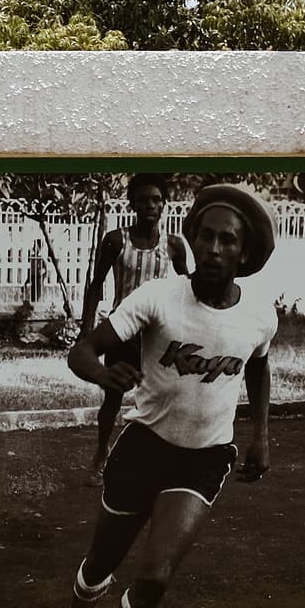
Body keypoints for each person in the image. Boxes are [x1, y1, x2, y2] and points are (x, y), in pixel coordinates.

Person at [53, 184, 279, 608]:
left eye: (228, 240)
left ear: (245, 252)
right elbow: (83, 352)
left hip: (205, 456)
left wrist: (260, 434)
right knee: (101, 562)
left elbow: (258, 365)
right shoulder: (158, 297)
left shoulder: (260, 314)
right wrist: (102, 374)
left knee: (155, 577)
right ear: (192, 240)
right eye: (206, 236)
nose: (214, 249)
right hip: (145, 446)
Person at [80, 173, 190, 475]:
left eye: (156, 200)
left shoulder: (173, 245)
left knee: (159, 396)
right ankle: (101, 455)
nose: (150, 206)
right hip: (122, 331)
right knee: (113, 396)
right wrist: (86, 330)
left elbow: (187, 289)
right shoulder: (117, 240)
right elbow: (96, 284)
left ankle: (153, 462)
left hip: (156, 334)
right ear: (132, 204)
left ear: (165, 205)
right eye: (143, 199)